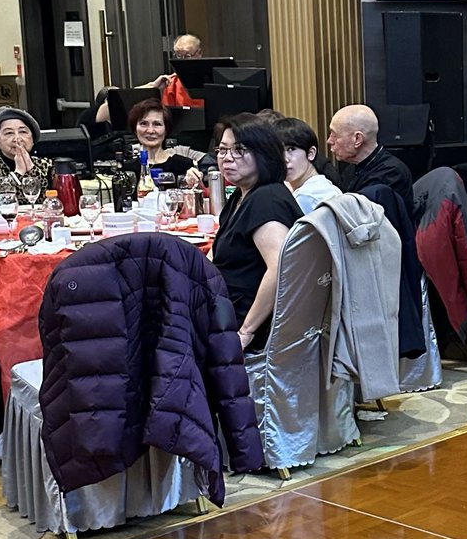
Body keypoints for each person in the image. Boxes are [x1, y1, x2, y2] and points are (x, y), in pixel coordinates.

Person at [210, 115, 302, 351]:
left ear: (264, 154)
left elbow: (281, 267)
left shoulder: (266, 200)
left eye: (239, 150)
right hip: (224, 307)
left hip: (248, 322)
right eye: (222, 150)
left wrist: (245, 332)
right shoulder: (242, 194)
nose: (227, 158)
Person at [327, 104, 415, 222]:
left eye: (334, 135)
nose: (329, 141)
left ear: (357, 139)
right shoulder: (352, 168)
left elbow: (365, 225)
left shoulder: (391, 174)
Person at [125, 97, 204, 187]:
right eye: (144, 124)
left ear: (166, 130)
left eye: (157, 124)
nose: (150, 131)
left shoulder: (184, 166)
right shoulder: (128, 170)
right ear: (135, 129)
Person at [276, 116, 342, 214]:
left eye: (291, 149)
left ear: (311, 153)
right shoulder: (325, 185)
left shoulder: (306, 196)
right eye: (278, 151)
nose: (285, 159)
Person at [0, 106, 53, 194]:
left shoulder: (47, 165)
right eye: (9, 133)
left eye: (23, 132)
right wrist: (18, 173)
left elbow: (51, 199)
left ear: (33, 139)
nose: (17, 138)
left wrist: (32, 170)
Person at [142, 33, 202, 107]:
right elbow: (168, 114)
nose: (182, 61)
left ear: (199, 53)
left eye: (187, 56)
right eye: (179, 56)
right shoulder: (172, 83)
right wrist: (153, 86)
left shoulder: (211, 80)